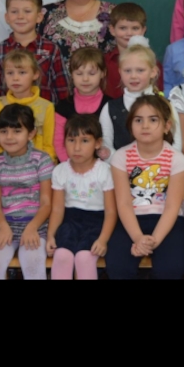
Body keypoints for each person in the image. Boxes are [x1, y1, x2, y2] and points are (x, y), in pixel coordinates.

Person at [105, 95, 184, 280]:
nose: (145, 126)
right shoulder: (120, 157)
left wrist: (152, 242)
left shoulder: (177, 159)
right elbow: (124, 204)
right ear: (130, 125)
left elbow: (172, 207)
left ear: (167, 126)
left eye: (153, 120)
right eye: (138, 120)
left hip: (167, 220)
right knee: (117, 267)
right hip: (131, 219)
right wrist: (138, 238)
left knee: (171, 270)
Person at [0, 104, 53, 280]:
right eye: (3, 131)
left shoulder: (42, 160)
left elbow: (47, 203)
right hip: (3, 223)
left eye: (17, 131)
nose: (9, 137)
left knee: (33, 263)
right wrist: (3, 227)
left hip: (36, 224)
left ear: (31, 134)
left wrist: (32, 227)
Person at [47, 115, 116, 280]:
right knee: (62, 256)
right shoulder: (60, 171)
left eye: (84, 141)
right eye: (71, 140)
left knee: (84, 258)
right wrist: (50, 235)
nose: (77, 148)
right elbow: (57, 209)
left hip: (96, 223)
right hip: (70, 222)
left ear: (97, 143)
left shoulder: (105, 171)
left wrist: (103, 240)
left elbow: (111, 212)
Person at [99, 37, 182, 158]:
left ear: (153, 72)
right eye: (127, 71)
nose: (133, 76)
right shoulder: (110, 108)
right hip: (121, 168)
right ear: (120, 72)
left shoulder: (166, 106)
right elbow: (106, 147)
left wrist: (157, 165)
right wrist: (127, 165)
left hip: (161, 168)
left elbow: (176, 144)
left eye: (140, 70)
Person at [0, 0, 70, 105]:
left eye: (27, 11)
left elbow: (62, 89)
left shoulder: (51, 49)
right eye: (14, 12)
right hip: (8, 113)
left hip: (44, 113)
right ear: (7, 17)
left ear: (39, 17)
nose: (20, 16)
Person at [0, 50, 56, 161]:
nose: (15, 78)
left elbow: (49, 144)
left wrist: (45, 164)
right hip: (4, 165)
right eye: (10, 73)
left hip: (37, 165)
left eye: (22, 73)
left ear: (35, 74)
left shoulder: (47, 106)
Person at [54, 47, 111, 163]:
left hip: (103, 168)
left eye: (92, 73)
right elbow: (59, 143)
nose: (85, 79)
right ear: (71, 74)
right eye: (79, 73)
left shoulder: (111, 105)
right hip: (69, 167)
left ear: (103, 73)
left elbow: (112, 143)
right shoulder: (62, 107)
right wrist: (71, 167)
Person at [103, 2, 163, 98]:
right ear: (112, 30)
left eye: (135, 28)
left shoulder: (152, 63)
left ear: (143, 30)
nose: (129, 33)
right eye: (123, 28)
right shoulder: (104, 62)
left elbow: (159, 94)